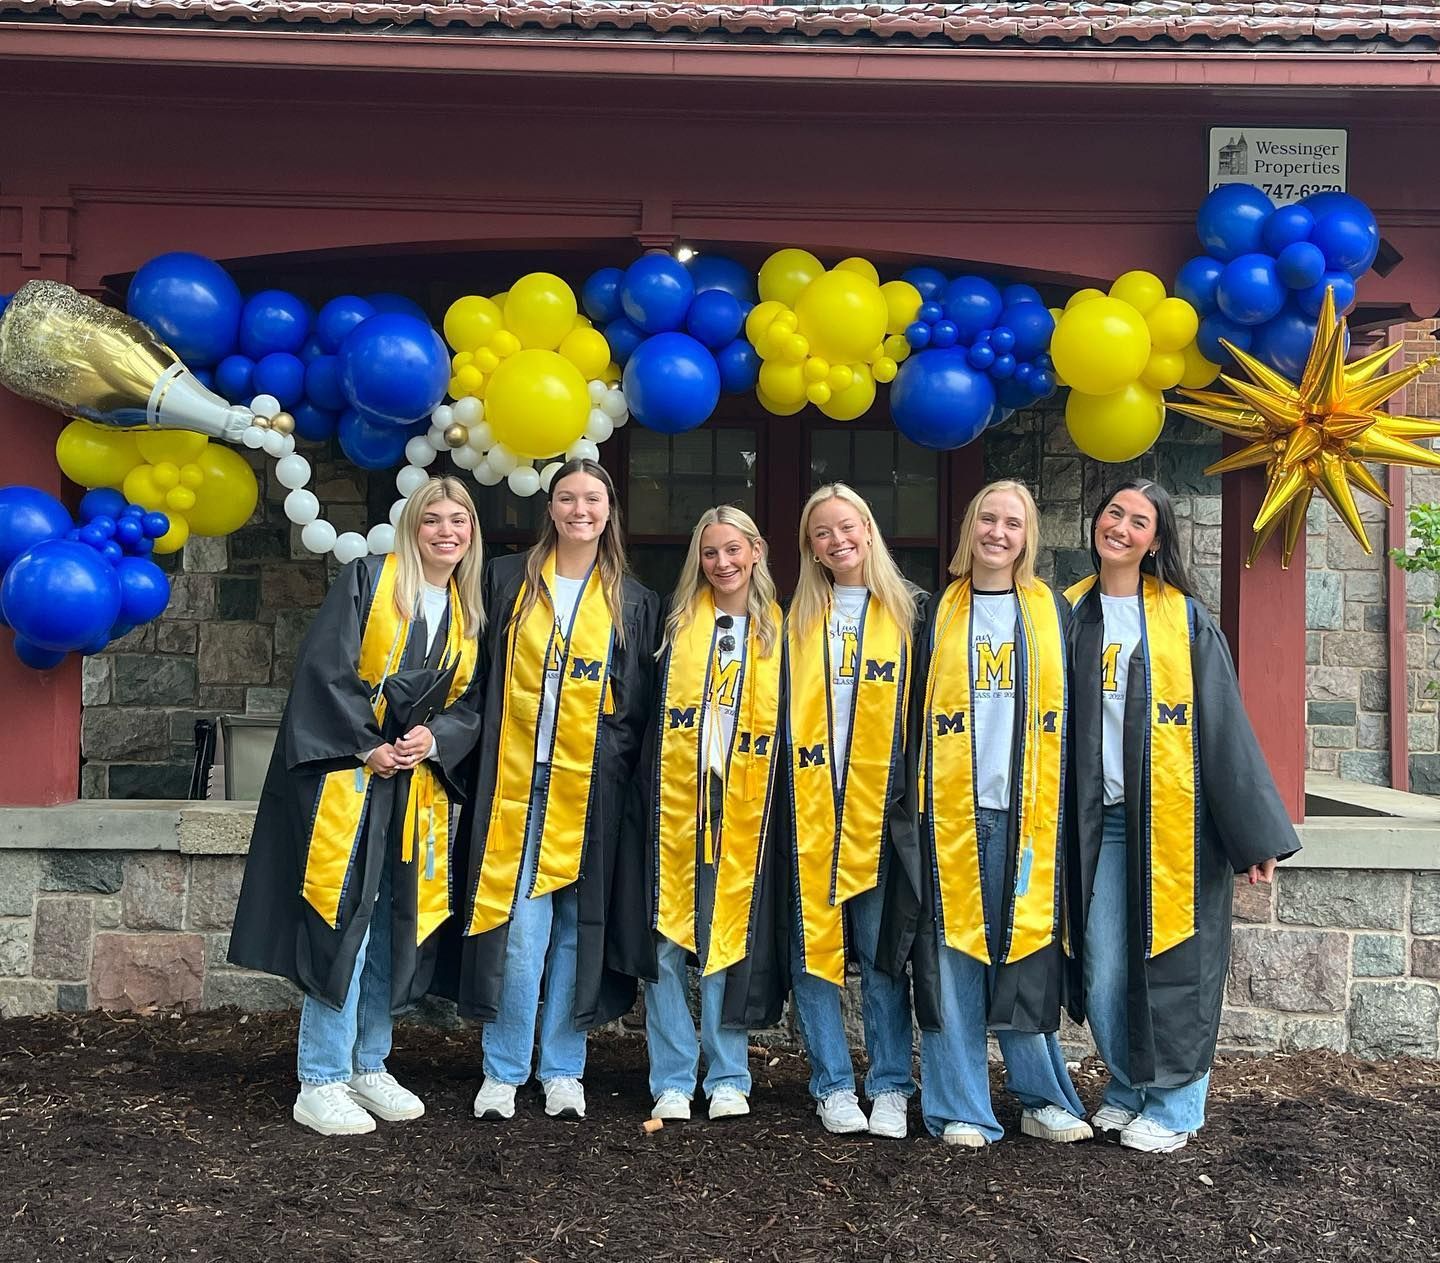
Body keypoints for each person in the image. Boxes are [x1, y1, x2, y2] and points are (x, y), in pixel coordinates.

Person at [229, 476, 486, 1137]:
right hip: (350, 778)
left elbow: (470, 704)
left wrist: (438, 737)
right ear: (413, 526)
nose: (447, 530)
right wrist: (368, 745)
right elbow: (324, 670)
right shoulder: (369, 579)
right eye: (434, 519)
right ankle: (320, 1077)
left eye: (459, 519)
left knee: (399, 921)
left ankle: (369, 1062)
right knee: (347, 921)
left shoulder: (464, 608)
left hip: (414, 785)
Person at [1065, 478, 1299, 1153]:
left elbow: (1225, 729)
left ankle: (1175, 1105)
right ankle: (1129, 1085)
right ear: (1098, 522)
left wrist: (1252, 833)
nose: (1121, 527)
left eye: (1139, 521)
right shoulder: (1067, 613)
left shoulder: (1184, 620)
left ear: (1156, 540)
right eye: (1114, 512)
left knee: (1175, 965)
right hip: (1097, 824)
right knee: (1103, 966)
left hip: (1175, 824)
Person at [879, 480, 1090, 1148]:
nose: (998, 532)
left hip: (1031, 815)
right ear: (970, 526)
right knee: (951, 963)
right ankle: (961, 1107)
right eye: (988, 518)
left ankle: (1042, 1097)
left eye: (1013, 522)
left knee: (1025, 953)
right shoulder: (932, 612)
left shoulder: (1053, 611)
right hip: (950, 814)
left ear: (1027, 536)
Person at [451, 458, 659, 1124]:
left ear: (608, 509)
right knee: (520, 929)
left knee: (577, 926)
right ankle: (505, 1068)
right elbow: (475, 675)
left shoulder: (632, 599)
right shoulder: (509, 579)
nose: (579, 509)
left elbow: (636, 707)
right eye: (567, 498)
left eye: (592, 498)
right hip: (516, 781)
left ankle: (564, 1068)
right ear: (551, 508)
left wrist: (613, 766)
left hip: (594, 785)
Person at [783, 482, 921, 1138]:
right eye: (822, 533)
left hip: (880, 804)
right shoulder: (795, 620)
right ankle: (832, 1083)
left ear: (868, 528)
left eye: (847, 527)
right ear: (810, 547)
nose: (837, 541)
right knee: (815, 950)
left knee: (879, 949)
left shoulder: (910, 613)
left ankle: (890, 1083)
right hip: (812, 803)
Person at [643, 506, 787, 1124]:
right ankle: (673, 1076)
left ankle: (729, 1072)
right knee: (669, 940)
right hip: (676, 798)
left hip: (744, 803)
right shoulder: (673, 625)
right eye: (710, 553)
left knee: (727, 937)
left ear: (755, 551)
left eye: (734, 550)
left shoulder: (784, 629)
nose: (723, 563)